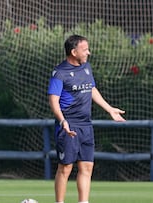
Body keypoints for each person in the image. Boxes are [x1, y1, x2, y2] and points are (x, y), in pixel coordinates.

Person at [47, 34, 126, 203]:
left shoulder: (86, 67)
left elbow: (91, 89)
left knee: (87, 166)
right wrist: (63, 121)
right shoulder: (60, 73)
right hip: (68, 126)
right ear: (74, 52)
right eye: (85, 50)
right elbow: (53, 101)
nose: (88, 53)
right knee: (65, 167)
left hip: (86, 126)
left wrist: (109, 109)